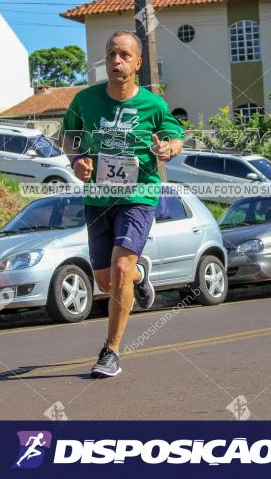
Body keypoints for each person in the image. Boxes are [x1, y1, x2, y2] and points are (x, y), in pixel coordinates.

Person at [62, 30, 185, 378]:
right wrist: (77, 160)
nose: (116, 61)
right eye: (111, 54)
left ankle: (111, 351)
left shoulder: (153, 104)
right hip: (98, 198)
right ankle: (140, 274)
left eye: (124, 55)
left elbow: (177, 136)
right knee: (106, 282)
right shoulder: (85, 100)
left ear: (138, 63)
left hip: (139, 195)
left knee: (118, 271)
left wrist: (168, 149)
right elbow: (69, 138)